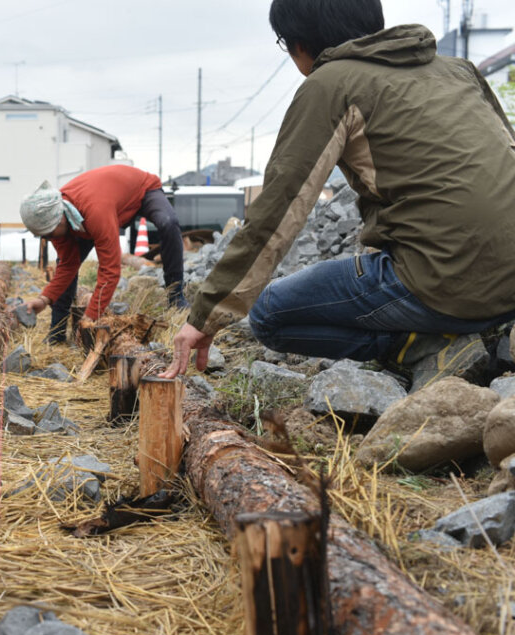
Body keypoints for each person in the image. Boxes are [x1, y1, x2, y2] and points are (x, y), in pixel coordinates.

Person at [161, 0, 515, 387]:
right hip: (510, 286)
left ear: (299, 43)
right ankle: (488, 335)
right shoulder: (459, 70)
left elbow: (279, 210)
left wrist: (205, 316)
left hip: (443, 286)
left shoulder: (330, 83)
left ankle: (417, 346)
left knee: (268, 314)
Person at [18, 165, 186, 344]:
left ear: (60, 217)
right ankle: (56, 333)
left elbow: (110, 270)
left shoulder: (96, 211)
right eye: (44, 235)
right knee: (63, 261)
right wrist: (43, 300)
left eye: (49, 234)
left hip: (142, 189)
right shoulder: (58, 224)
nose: (49, 239)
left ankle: (176, 295)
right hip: (98, 209)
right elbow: (68, 265)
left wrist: (90, 317)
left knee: (168, 223)